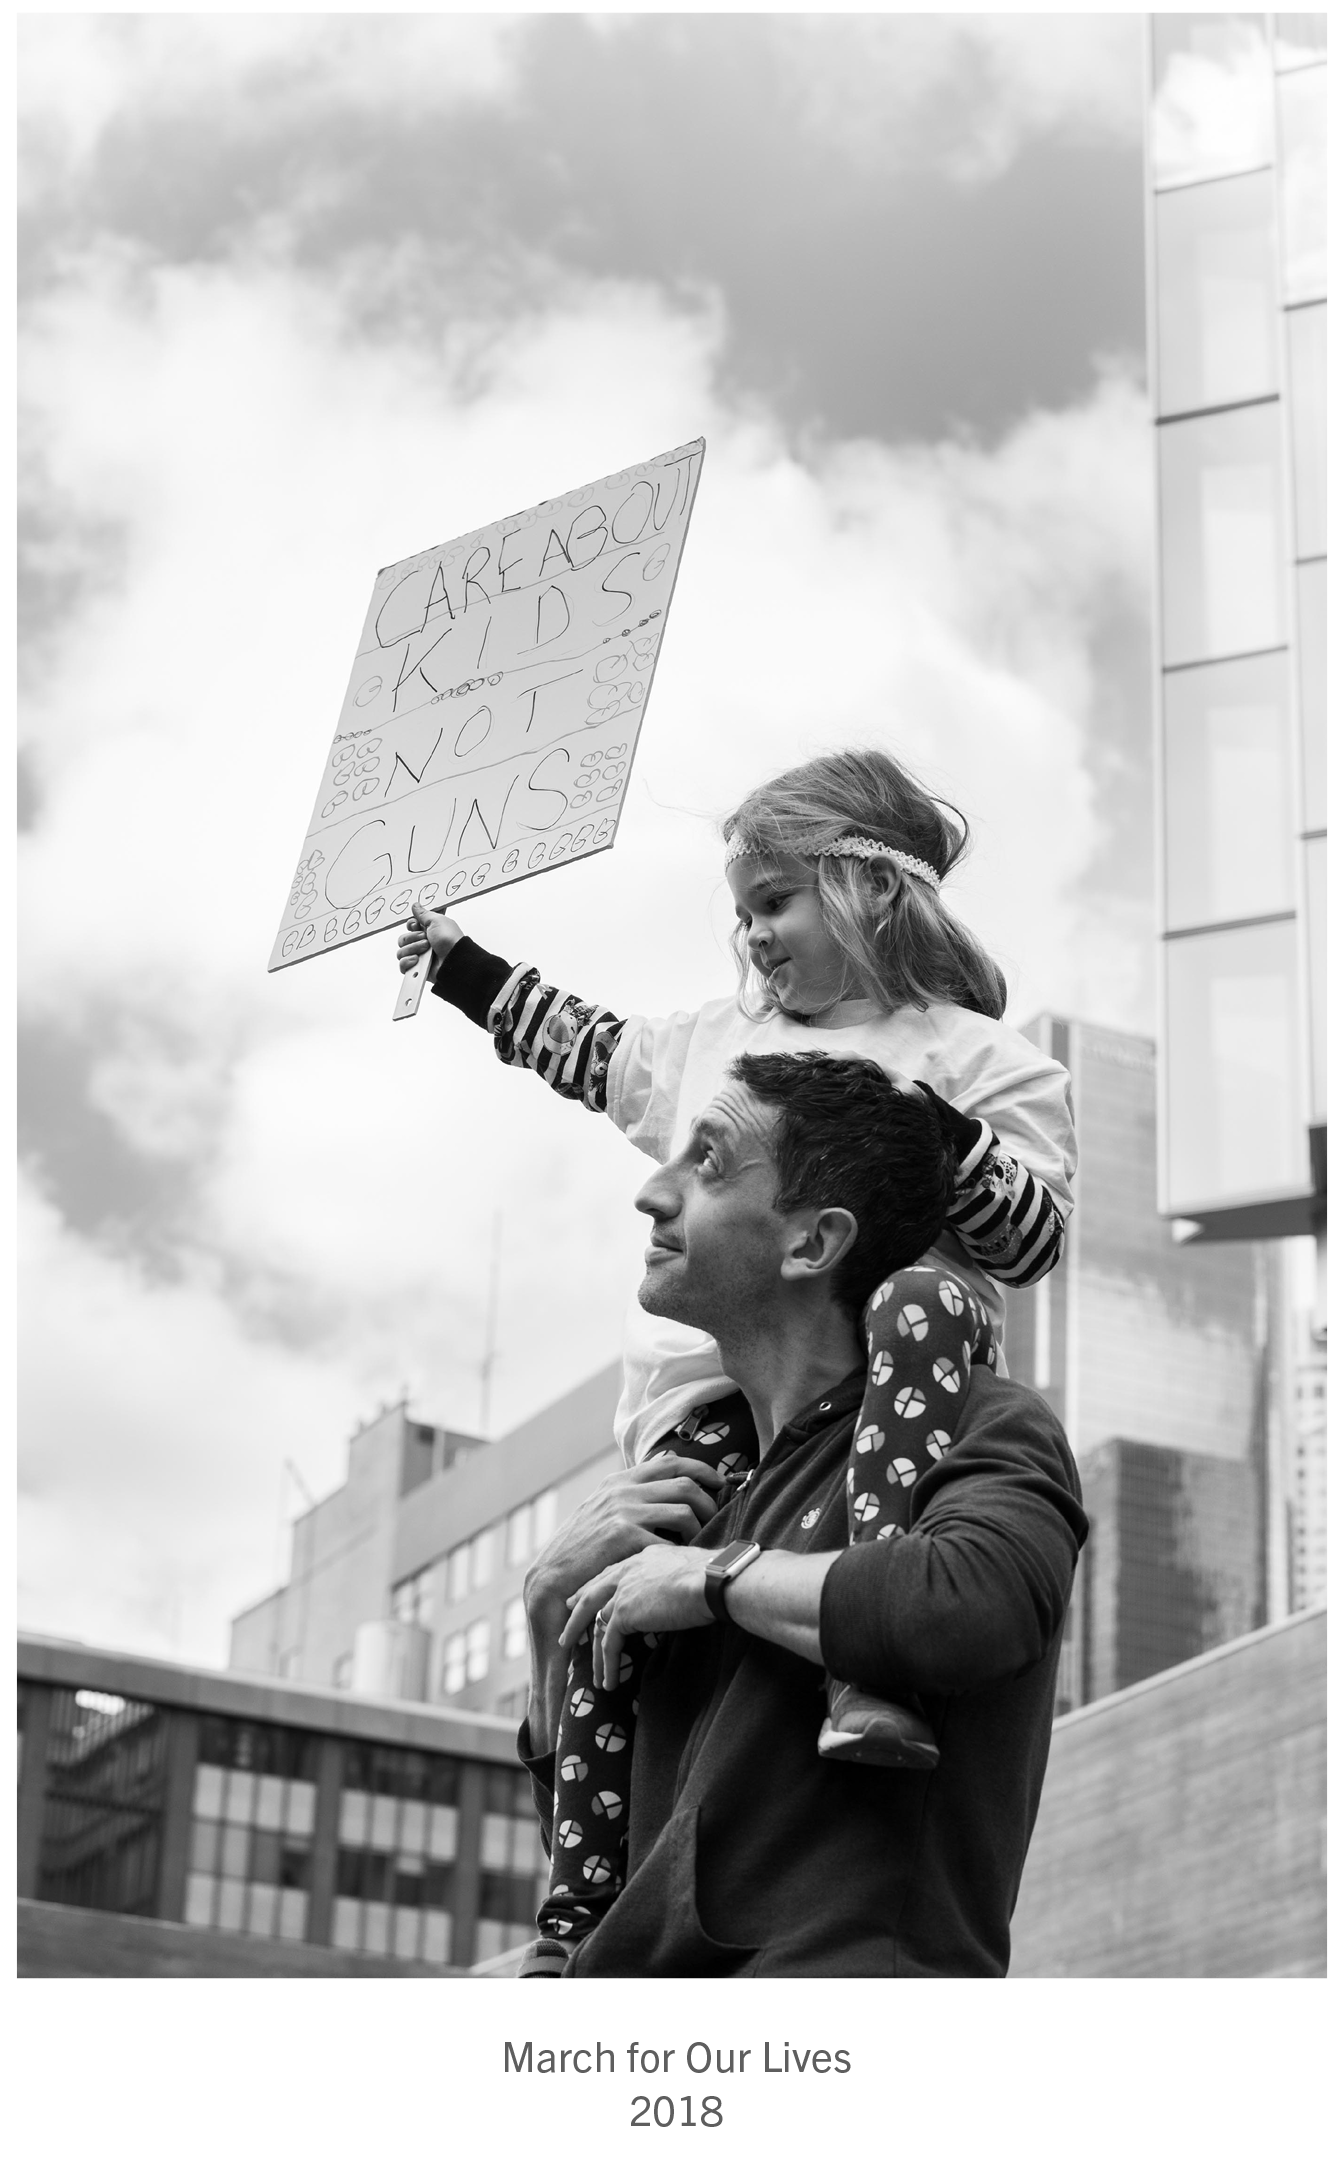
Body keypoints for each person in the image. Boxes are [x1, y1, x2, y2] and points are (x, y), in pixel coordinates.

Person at [396, 746, 1076, 1956]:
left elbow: (1028, 1240)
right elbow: (583, 1047)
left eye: (775, 902)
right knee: (608, 1602)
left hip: (897, 1379)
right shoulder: (715, 1043)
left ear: (869, 892)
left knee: (918, 1295)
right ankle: (576, 1919)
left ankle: (867, 1663)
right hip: (713, 1412)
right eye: (741, 911)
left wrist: (939, 1139)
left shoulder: (977, 1060)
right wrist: (460, 967)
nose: (753, 935)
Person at [520, 1050, 1087, 1978]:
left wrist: (717, 1579)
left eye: (708, 1161)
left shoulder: (976, 1422)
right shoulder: (689, 1504)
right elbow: (604, 1854)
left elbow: (975, 1602)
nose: (651, 1192)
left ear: (813, 1244)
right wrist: (549, 1617)